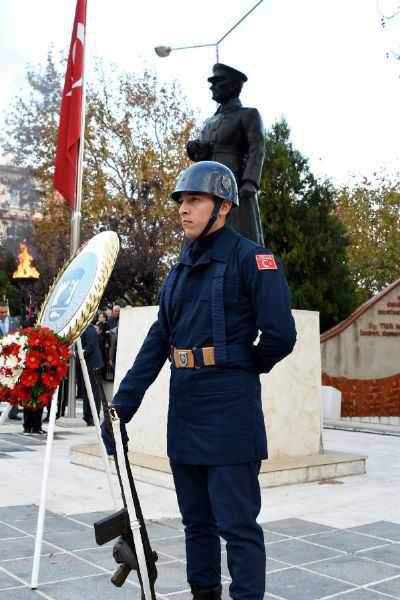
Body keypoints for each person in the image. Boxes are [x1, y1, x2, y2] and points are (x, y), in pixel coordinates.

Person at [102, 161, 296, 600]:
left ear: (223, 206)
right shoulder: (180, 270)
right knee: (196, 525)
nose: (183, 210)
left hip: (230, 412)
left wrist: (243, 366)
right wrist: (122, 407)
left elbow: (281, 334)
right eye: (181, 202)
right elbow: (158, 341)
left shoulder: (252, 260)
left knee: (238, 527)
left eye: (195, 200)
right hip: (186, 411)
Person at [186, 63, 266, 245]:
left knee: (240, 232)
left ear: (232, 86)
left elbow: (257, 148)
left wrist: (250, 181)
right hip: (207, 184)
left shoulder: (248, 115)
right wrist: (196, 149)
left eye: (217, 82)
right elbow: (205, 151)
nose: (212, 87)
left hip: (234, 183)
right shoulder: (210, 121)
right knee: (204, 230)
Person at [0, 298, 22, 421]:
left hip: (13, 358)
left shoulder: (15, 322)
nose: (2, 315)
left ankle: (14, 411)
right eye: (0, 313)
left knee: (14, 384)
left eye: (4, 312)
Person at [81, 320, 106, 426]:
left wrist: (79, 353)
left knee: (93, 392)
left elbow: (89, 348)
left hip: (93, 365)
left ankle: (92, 417)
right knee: (88, 391)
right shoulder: (89, 329)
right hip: (91, 364)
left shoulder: (89, 330)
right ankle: (88, 416)